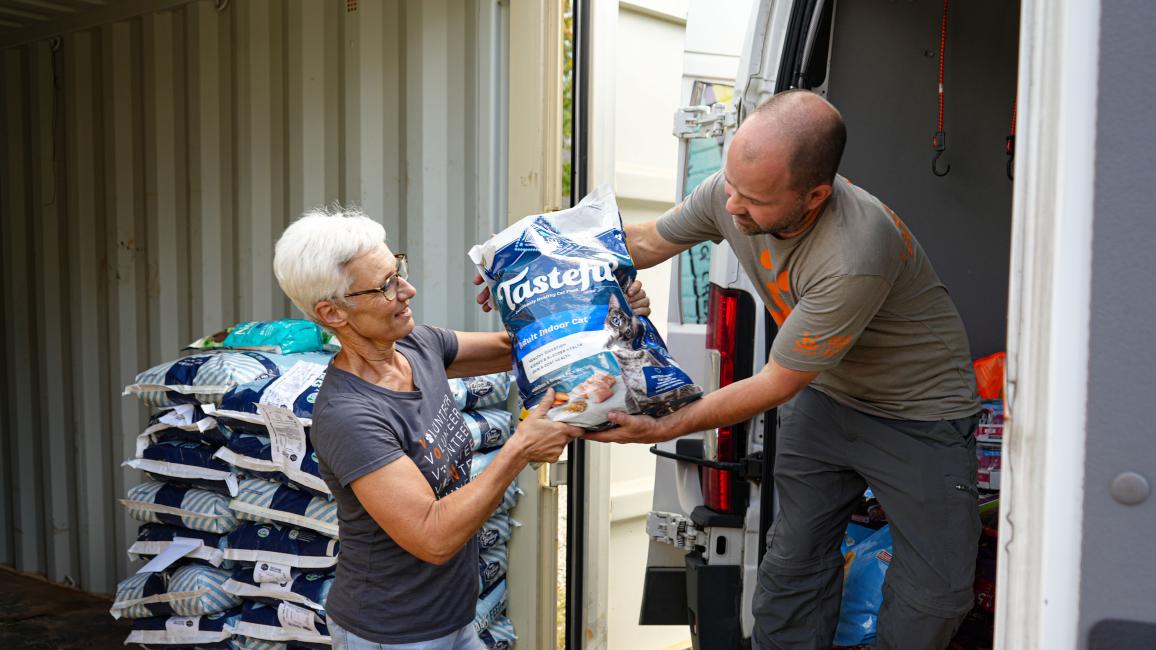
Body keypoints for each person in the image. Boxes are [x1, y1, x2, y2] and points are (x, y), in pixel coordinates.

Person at [591, 90, 982, 649]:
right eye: (731, 187)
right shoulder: (732, 192)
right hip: (829, 395)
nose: (732, 207)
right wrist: (538, 264)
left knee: (934, 593)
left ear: (815, 195)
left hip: (918, 414)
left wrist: (660, 425)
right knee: (794, 559)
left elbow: (777, 382)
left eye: (754, 200)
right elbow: (648, 242)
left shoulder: (853, 254)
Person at [273, 208, 650, 650]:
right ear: (332, 312)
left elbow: (521, 349)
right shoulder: (349, 415)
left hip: (453, 620)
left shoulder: (416, 345)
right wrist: (518, 451)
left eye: (399, 271)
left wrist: (603, 306)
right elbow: (432, 537)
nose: (407, 290)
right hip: (393, 634)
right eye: (386, 286)